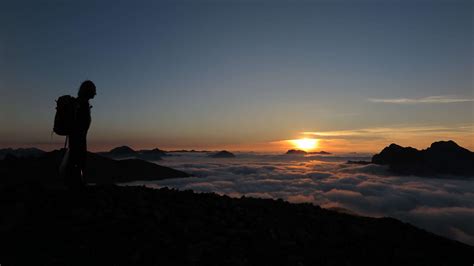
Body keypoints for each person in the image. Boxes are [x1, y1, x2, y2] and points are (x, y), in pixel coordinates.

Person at [66, 80, 96, 189]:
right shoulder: (81, 104)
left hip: (78, 136)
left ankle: (75, 183)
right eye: (94, 90)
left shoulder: (81, 102)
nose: (95, 93)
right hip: (78, 137)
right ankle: (76, 185)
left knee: (76, 159)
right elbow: (81, 122)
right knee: (78, 159)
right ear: (88, 91)